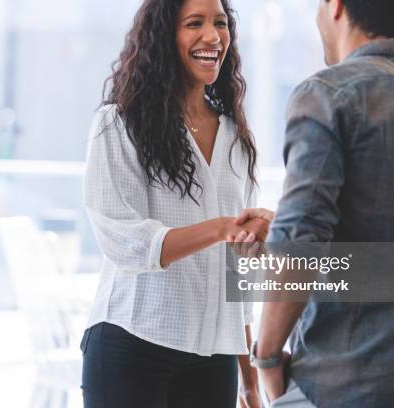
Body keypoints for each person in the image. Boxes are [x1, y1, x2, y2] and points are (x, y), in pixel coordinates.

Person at [237, 0, 394, 407]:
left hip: (342, 383)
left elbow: (300, 246)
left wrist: (267, 362)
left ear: (336, 7)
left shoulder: (327, 95)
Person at [80, 0, 268, 407]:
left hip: (215, 356)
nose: (212, 36)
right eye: (194, 23)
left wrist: (250, 378)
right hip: (132, 344)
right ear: (165, 36)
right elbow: (125, 242)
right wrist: (222, 227)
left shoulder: (237, 138)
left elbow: (237, 269)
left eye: (220, 23)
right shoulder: (119, 124)